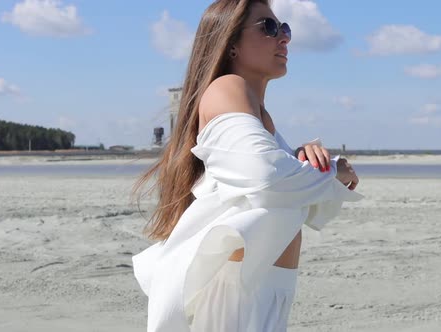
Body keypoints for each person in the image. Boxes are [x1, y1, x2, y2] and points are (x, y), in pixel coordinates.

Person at [131, 1, 363, 331]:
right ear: (232, 43)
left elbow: (302, 202)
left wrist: (309, 159)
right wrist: (331, 172)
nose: (283, 38)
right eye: (268, 28)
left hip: (262, 295)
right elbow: (266, 178)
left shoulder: (259, 116)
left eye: (285, 29)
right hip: (238, 303)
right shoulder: (229, 88)